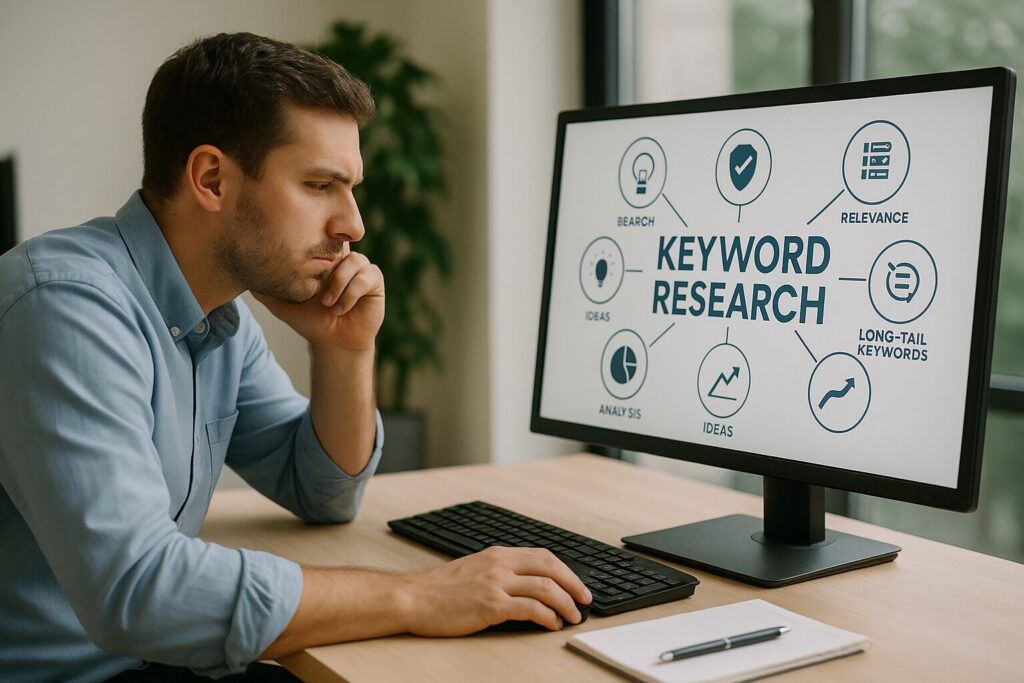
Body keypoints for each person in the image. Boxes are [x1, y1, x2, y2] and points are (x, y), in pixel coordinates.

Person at [0, 32, 591, 682]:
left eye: (351, 187)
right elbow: (138, 590)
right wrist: (419, 595)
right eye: (320, 185)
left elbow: (319, 493)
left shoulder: (217, 315)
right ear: (211, 179)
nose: (353, 224)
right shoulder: (64, 307)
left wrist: (345, 350)